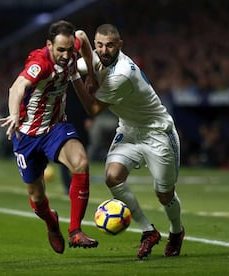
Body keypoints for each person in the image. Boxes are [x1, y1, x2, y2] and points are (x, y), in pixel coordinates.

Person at [74, 24, 184, 259]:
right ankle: (148, 231)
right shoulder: (96, 58)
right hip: (130, 130)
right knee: (112, 177)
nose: (104, 50)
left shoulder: (123, 73)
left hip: (158, 133)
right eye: (100, 45)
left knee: (164, 194)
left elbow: (93, 108)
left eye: (110, 45)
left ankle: (176, 231)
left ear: (120, 46)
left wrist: (76, 78)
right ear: (95, 45)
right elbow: (73, 64)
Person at [0, 20, 98, 254]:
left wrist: (91, 74)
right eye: (60, 50)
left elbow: (82, 36)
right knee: (36, 195)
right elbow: (17, 87)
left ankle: (75, 231)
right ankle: (52, 224)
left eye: (68, 49)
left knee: (81, 162)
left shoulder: (74, 46)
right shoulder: (39, 63)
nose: (65, 55)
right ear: (49, 45)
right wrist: (14, 114)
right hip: (27, 135)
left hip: (55, 127)